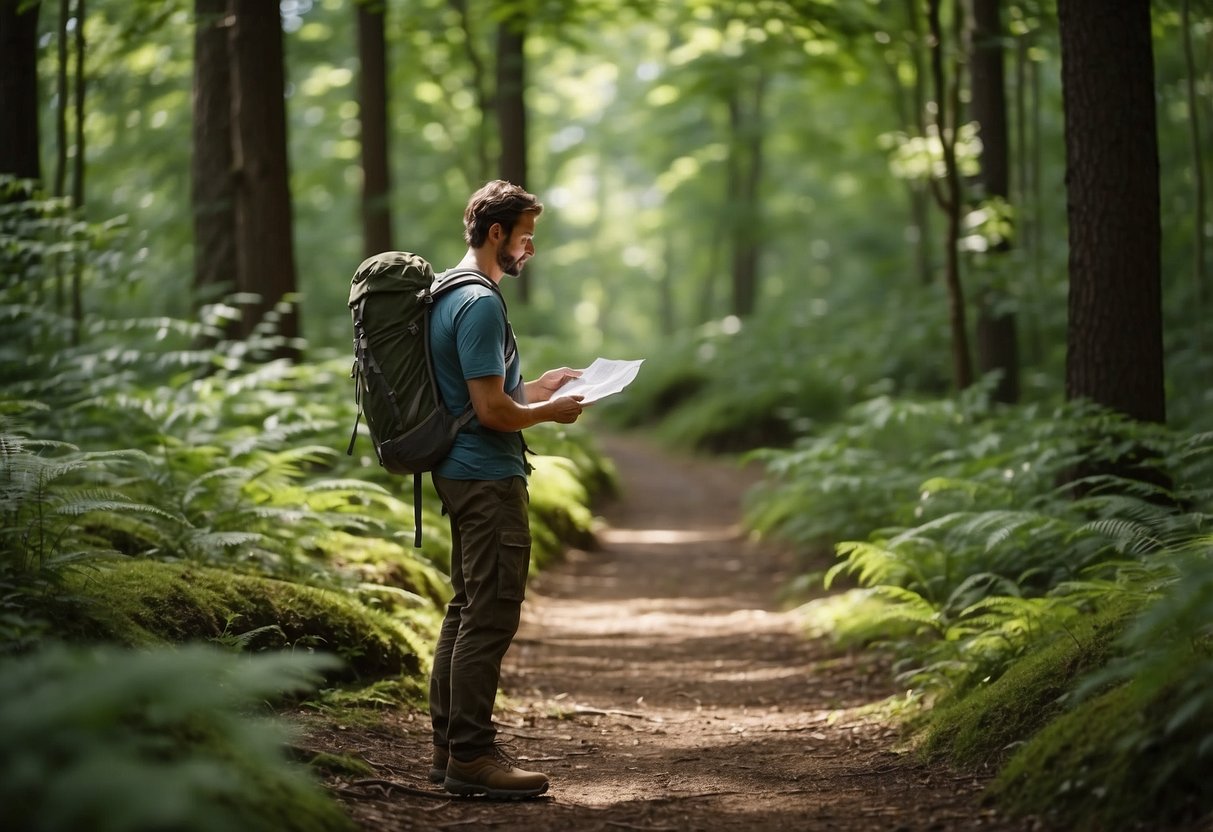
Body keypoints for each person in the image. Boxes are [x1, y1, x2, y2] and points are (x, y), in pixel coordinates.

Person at [426, 180, 585, 799]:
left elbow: (481, 396)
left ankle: (448, 749)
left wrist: (537, 390)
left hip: (461, 470)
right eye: (526, 237)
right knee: (489, 614)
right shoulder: (482, 303)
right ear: (498, 234)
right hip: (486, 476)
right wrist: (551, 414)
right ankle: (471, 755)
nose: (531, 249)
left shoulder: (448, 292)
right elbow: (491, 412)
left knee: (465, 609)